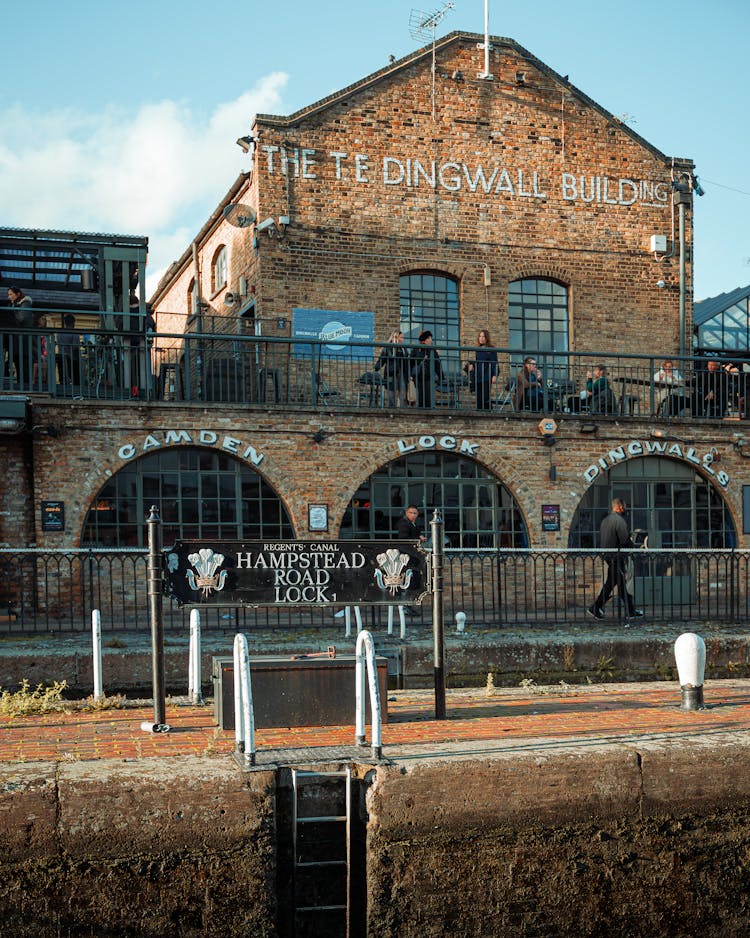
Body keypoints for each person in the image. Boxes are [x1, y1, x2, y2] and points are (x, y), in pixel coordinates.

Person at [588, 498, 644, 621]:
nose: (625, 509)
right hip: (617, 557)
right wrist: (633, 546)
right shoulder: (620, 521)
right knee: (617, 584)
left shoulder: (605, 521)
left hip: (608, 556)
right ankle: (597, 607)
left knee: (614, 583)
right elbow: (624, 540)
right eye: (624, 506)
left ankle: (629, 611)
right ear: (619, 507)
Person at [7, 286, 33, 387]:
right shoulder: (16, 305)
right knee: (19, 363)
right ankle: (21, 385)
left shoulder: (25, 303)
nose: (9, 297)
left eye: (11, 294)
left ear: (18, 294)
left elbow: (22, 318)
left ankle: (25, 386)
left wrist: (12, 311)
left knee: (23, 364)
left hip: (23, 341)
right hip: (18, 341)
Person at [375, 330, 410, 406]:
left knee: (402, 394)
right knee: (391, 395)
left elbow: (407, 362)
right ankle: (391, 412)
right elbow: (382, 358)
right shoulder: (389, 347)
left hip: (402, 373)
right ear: (396, 337)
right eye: (401, 337)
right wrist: (377, 367)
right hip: (391, 373)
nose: (402, 339)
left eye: (403, 338)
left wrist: (409, 374)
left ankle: (402, 412)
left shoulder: (404, 348)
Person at [410, 330, 444, 408]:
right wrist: (410, 374)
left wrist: (441, 376)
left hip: (429, 376)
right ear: (425, 340)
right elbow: (411, 362)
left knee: (428, 395)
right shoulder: (416, 350)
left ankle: (428, 411)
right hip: (418, 376)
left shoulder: (432, 350)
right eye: (429, 338)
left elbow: (437, 364)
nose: (431, 340)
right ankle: (421, 410)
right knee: (420, 395)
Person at [467, 328, 498, 410]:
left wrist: (494, 375)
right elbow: (478, 362)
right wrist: (472, 366)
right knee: (479, 397)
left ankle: (489, 412)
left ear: (487, 338)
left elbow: (494, 362)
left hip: (487, 375)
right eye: (480, 336)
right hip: (478, 376)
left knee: (486, 396)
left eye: (483, 336)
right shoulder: (478, 349)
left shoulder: (491, 349)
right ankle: (479, 412)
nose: (481, 338)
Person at [56, 313, 82, 391]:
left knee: (62, 376)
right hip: (72, 358)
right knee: (75, 378)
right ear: (73, 322)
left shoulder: (59, 333)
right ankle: (76, 391)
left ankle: (62, 390)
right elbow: (75, 347)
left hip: (61, 357)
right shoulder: (74, 333)